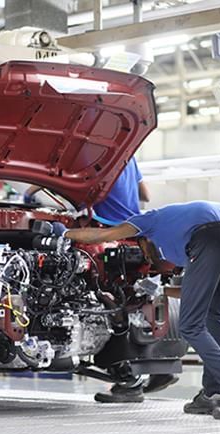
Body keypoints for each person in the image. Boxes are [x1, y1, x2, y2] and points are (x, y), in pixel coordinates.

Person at [54, 200, 220, 420]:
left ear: (143, 239)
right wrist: (160, 290)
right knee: (214, 312)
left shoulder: (148, 220)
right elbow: (191, 292)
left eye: (144, 253)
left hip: (211, 236)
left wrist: (66, 233)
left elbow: (104, 235)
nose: (148, 258)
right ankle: (211, 394)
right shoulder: (178, 231)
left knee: (190, 327)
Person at [27, 158, 176, 403]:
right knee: (134, 299)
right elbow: (146, 195)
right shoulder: (127, 156)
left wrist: (29, 193)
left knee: (100, 299)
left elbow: (50, 183)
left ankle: (127, 376)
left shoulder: (85, 155)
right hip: (131, 231)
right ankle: (152, 367)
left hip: (102, 231)